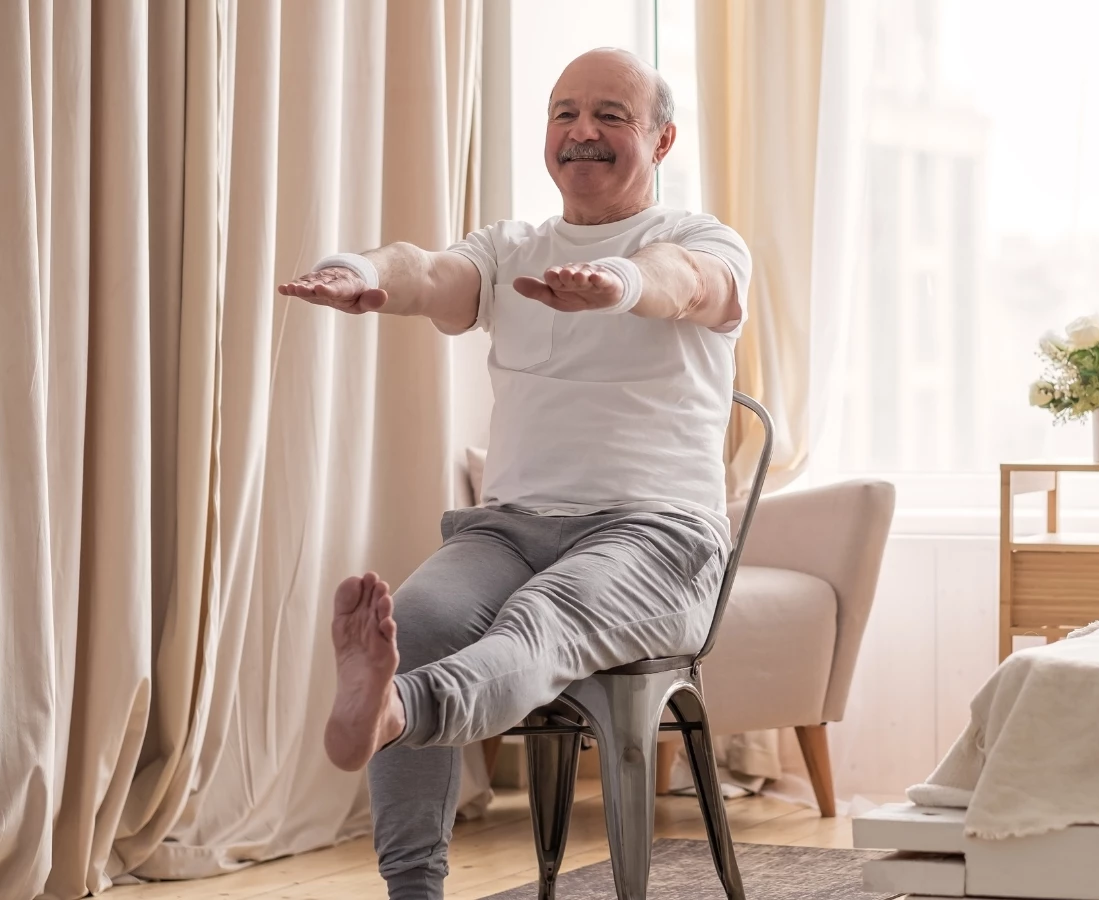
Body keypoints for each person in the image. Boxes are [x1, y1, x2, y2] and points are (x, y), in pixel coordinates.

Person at [276, 48, 750, 900]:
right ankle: (412, 887)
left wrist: (618, 281)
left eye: (611, 115)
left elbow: (688, 286)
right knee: (414, 620)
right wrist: (366, 271)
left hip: (658, 536)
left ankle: (399, 714)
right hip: (509, 527)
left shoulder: (698, 240)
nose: (583, 132)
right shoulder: (514, 249)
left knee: (541, 622)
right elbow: (432, 272)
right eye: (565, 112)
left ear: (663, 139)